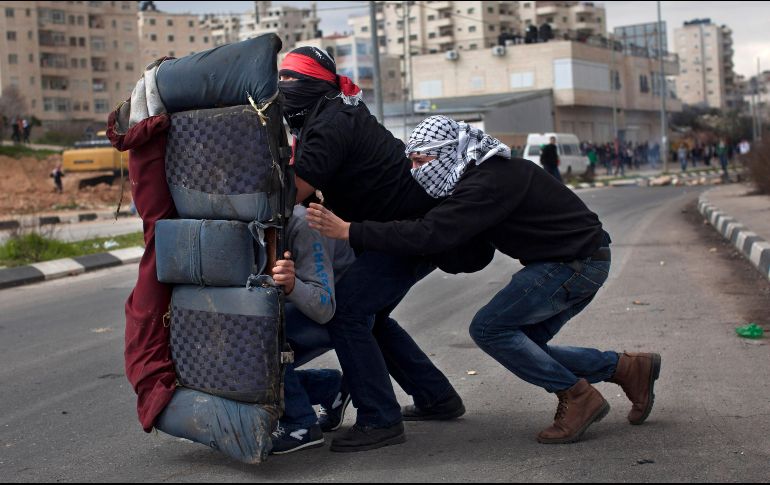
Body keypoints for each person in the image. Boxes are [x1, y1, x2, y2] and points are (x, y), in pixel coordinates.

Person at [307, 115, 662, 445]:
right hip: (580, 259)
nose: (415, 172)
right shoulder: (480, 175)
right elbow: (465, 250)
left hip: (573, 263)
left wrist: (350, 231)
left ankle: (577, 396)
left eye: (420, 162)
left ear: (448, 153)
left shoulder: (486, 182)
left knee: (489, 329)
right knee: (527, 347)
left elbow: (432, 233)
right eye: (411, 162)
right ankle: (626, 368)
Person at [278, 46, 465, 453]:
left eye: (293, 79)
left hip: (406, 233)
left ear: (317, 84)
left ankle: (379, 418)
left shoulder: (331, 123)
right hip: (399, 229)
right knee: (371, 318)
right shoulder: (328, 114)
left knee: (347, 313)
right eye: (282, 77)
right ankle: (436, 397)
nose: (284, 86)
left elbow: (291, 194)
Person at [269, 203, 355, 454]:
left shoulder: (301, 223)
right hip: (291, 312)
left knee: (258, 343)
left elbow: (323, 307)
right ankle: (329, 387)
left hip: (334, 318)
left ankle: (300, 424)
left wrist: (292, 285)